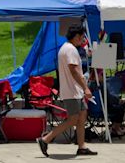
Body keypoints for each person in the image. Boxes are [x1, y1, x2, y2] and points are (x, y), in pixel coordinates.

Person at [36, 25, 97, 157]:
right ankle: (45, 139)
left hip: (74, 91)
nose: (82, 40)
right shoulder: (70, 50)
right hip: (72, 91)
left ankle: (82, 146)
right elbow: (73, 70)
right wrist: (85, 88)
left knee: (82, 116)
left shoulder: (66, 48)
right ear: (76, 36)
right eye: (82, 37)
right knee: (73, 119)